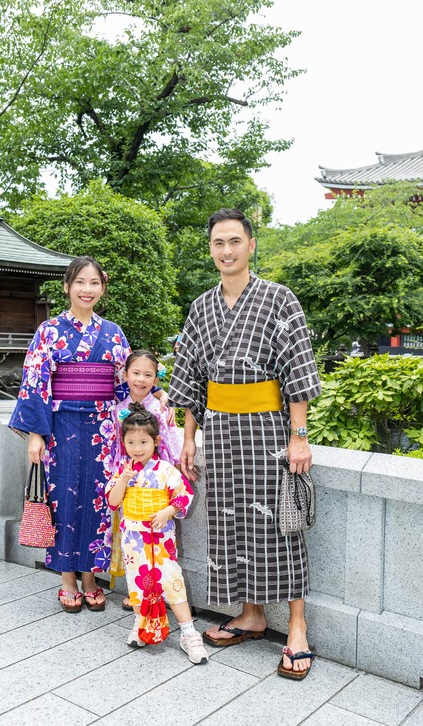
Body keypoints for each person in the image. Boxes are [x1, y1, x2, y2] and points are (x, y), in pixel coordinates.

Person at [166, 207, 322, 681]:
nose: (227, 251)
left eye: (235, 241)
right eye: (218, 243)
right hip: (221, 428)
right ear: (210, 249)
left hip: (268, 430)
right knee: (230, 522)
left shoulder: (279, 299)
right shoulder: (201, 307)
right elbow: (190, 377)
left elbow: (297, 369)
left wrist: (299, 436)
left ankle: (297, 627)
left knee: (281, 524)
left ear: (251, 245)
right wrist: (189, 438)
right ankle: (252, 615)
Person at [9, 256, 130, 613]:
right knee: (62, 499)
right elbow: (36, 382)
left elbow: (125, 384)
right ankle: (66, 578)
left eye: (94, 283)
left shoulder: (113, 333)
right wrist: (36, 433)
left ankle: (91, 577)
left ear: (102, 288)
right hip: (61, 427)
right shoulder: (49, 330)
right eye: (80, 282)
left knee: (99, 500)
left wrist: (152, 403)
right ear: (67, 286)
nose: (87, 289)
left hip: (103, 429)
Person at [104, 407, 209, 665]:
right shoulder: (123, 470)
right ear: (123, 442)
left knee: (172, 581)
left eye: (143, 442)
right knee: (137, 584)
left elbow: (184, 496)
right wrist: (123, 480)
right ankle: (141, 624)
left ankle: (188, 632)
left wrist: (168, 510)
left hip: (160, 538)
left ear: (156, 441)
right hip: (133, 539)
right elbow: (113, 502)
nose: (136, 448)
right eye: (130, 442)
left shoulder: (165, 470)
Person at [107, 349, 182, 610]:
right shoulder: (118, 407)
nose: (141, 379)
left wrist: (176, 471)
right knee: (132, 541)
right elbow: (116, 447)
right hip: (129, 479)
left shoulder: (161, 407)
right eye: (135, 373)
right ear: (125, 375)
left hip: (157, 482)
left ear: (156, 377)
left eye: (148, 375)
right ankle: (138, 591)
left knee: (159, 539)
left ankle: (160, 591)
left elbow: (170, 445)